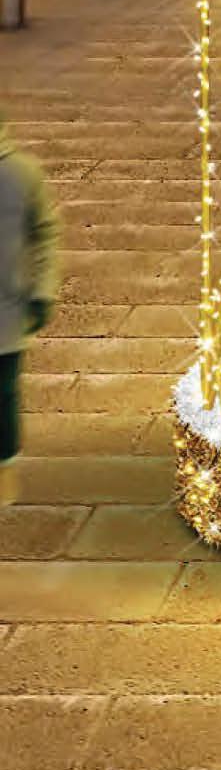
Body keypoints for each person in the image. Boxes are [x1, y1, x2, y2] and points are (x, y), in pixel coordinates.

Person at [0, 114, 62, 505]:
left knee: (2, 393)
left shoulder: (22, 173)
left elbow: (45, 231)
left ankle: (4, 474)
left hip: (5, 311)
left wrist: (42, 291)